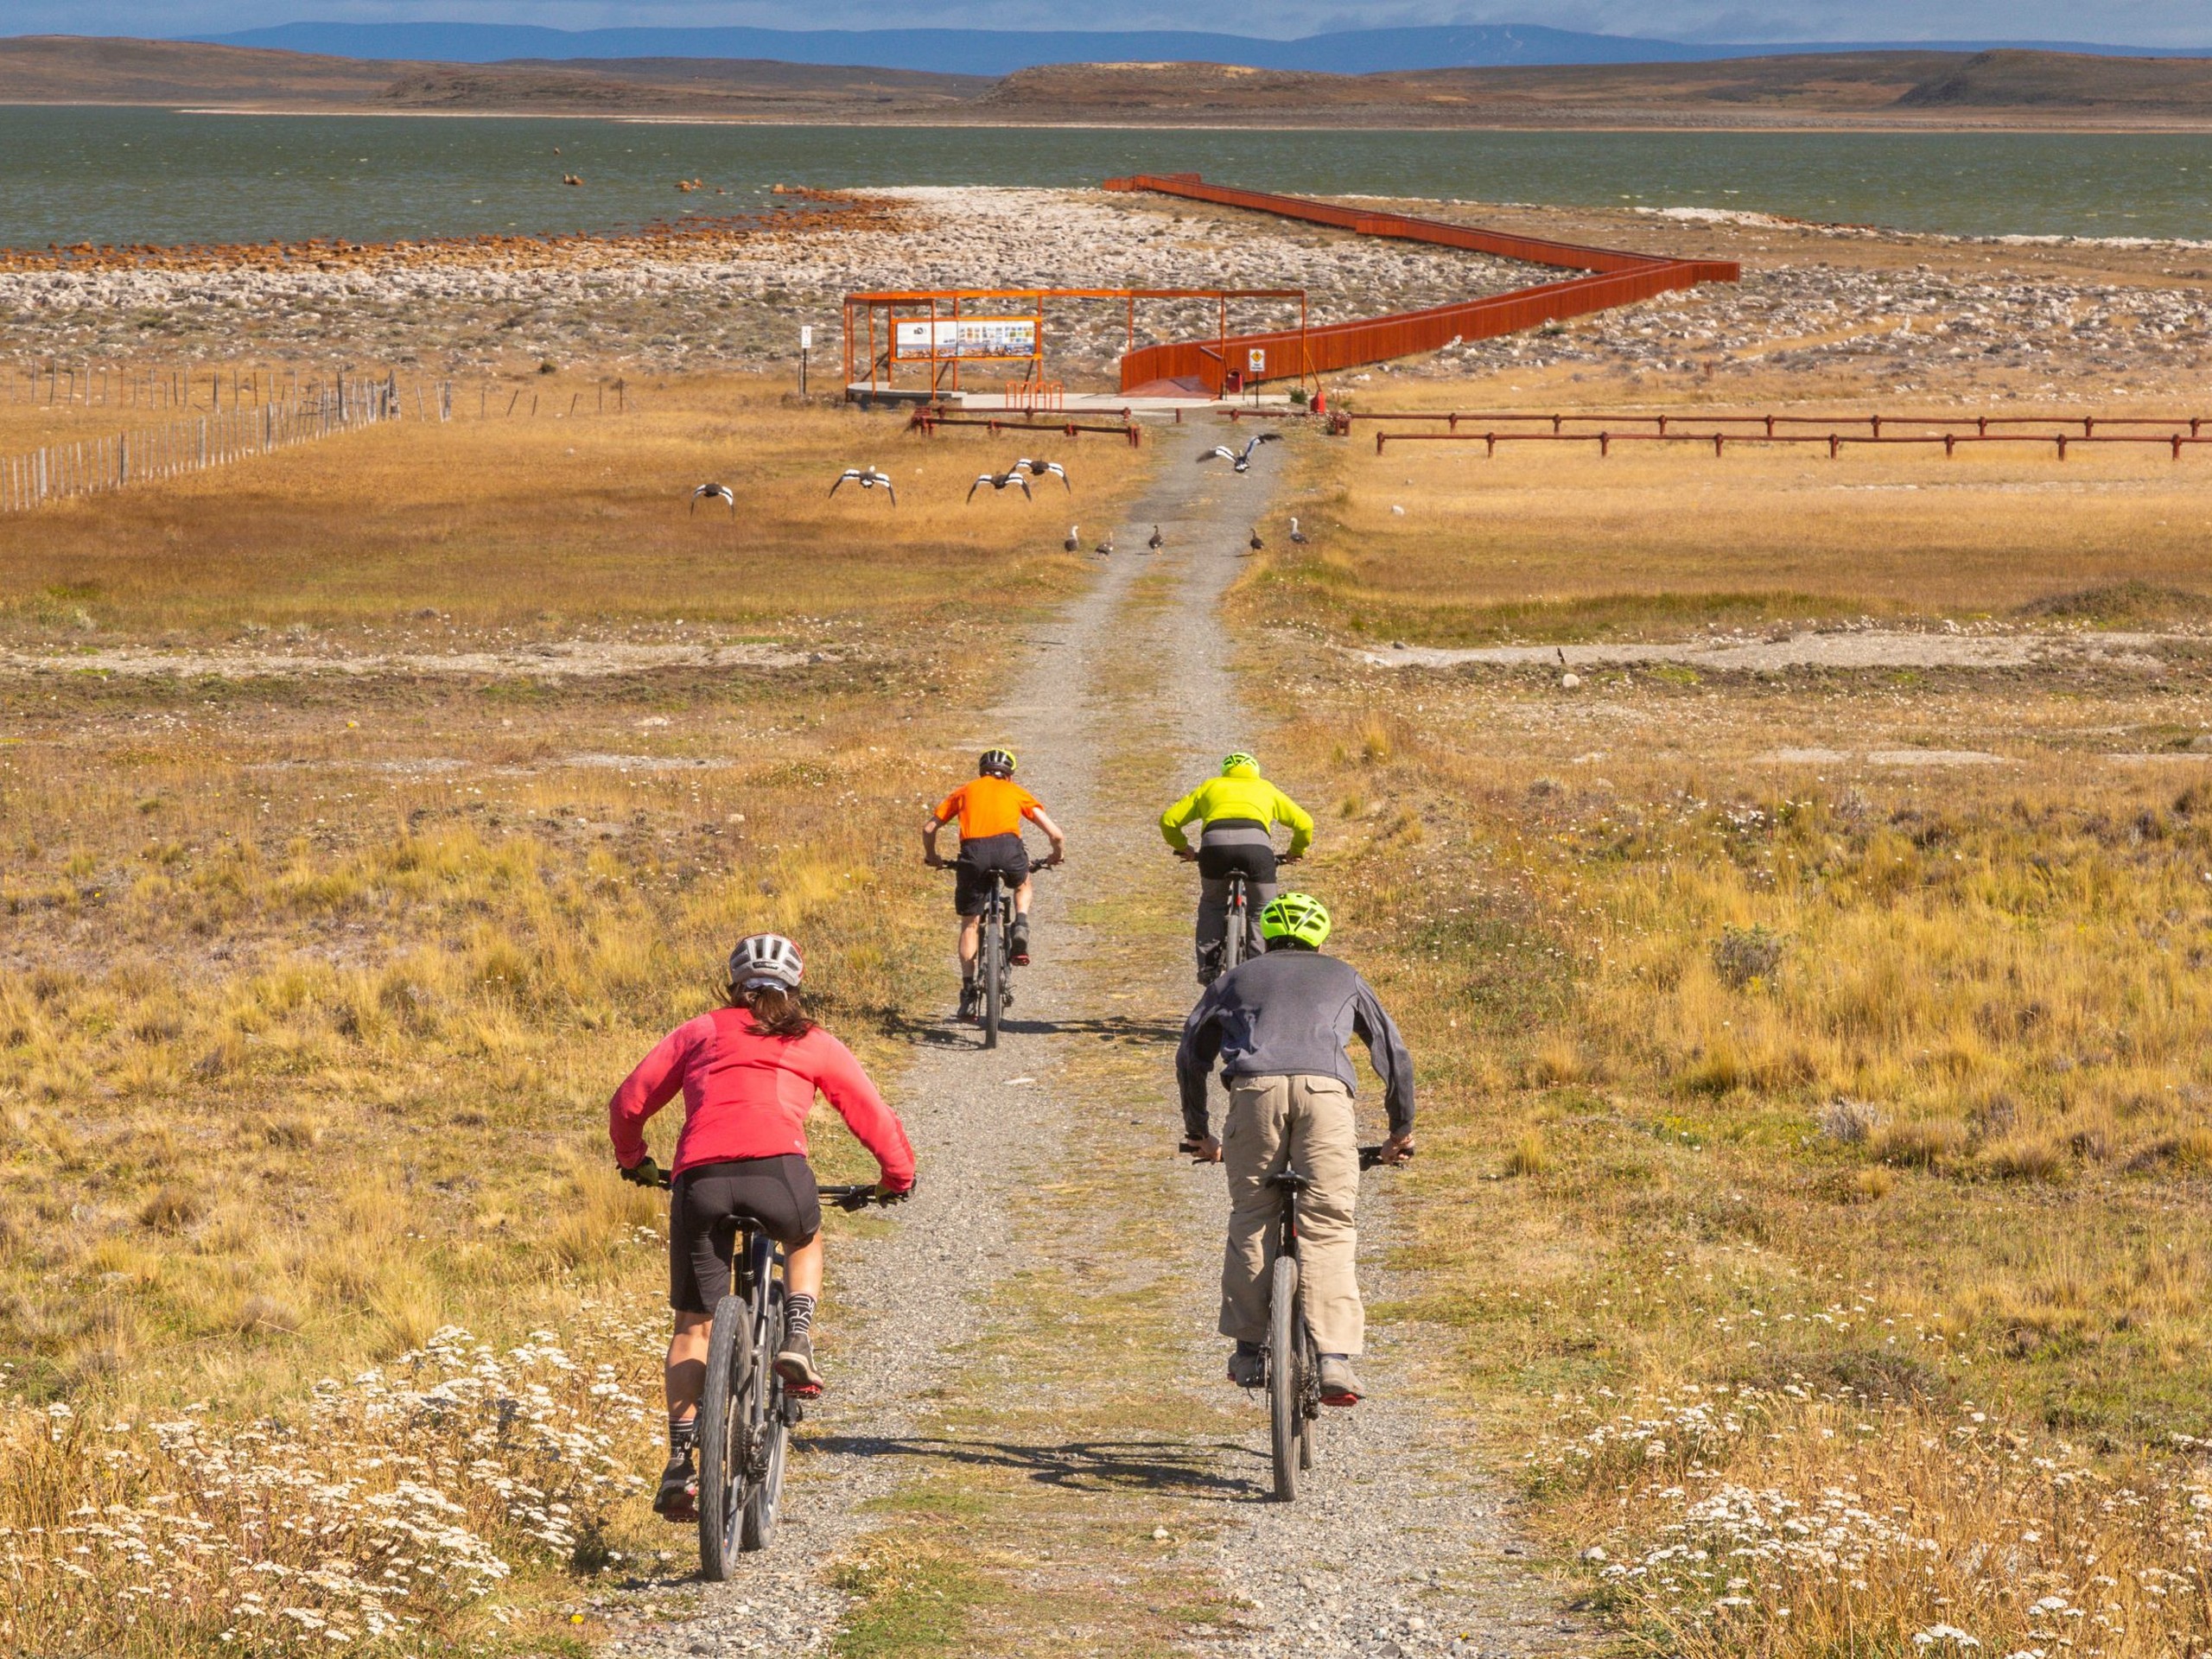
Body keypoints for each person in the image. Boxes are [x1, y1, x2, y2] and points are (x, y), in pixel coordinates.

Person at [609, 932, 916, 1522]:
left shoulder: (699, 1032)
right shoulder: (812, 1039)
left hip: (699, 1181)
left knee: (693, 1326)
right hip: (778, 1175)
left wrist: (635, 1162)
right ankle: (797, 1337)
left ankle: (680, 1461)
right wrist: (895, 1179)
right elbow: (870, 1112)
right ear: (795, 986)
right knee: (805, 1238)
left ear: (733, 985)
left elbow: (630, 1102)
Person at [1174, 892, 1414, 1407]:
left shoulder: (1234, 978)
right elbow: (1391, 1052)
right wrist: (1399, 1132)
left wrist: (1201, 1131)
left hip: (1254, 1092)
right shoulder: (1343, 975)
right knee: (1328, 1224)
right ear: (1320, 938)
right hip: (1325, 1095)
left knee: (1252, 1215)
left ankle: (1246, 1351)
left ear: (1265, 938)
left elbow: (1191, 1054)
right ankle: (1333, 1361)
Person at [924, 748, 1065, 1023]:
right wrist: (1055, 856)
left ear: (981, 771)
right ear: (1009, 775)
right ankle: (1021, 923)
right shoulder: (1017, 792)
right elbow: (1056, 834)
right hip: (1008, 849)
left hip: (973, 854)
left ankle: (967, 993)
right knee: (1022, 882)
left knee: (970, 923)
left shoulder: (964, 791)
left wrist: (933, 857)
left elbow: (929, 829)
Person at [1160, 752, 1314, 984]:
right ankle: (1260, 973)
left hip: (1214, 849)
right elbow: (1305, 823)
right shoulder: (1265, 788)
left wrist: (1184, 847)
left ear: (1225, 770)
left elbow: (1169, 821)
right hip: (1257, 851)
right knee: (1262, 909)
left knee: (1212, 904)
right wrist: (1295, 851)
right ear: (1255, 770)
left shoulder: (1210, 787)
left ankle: (1209, 967)